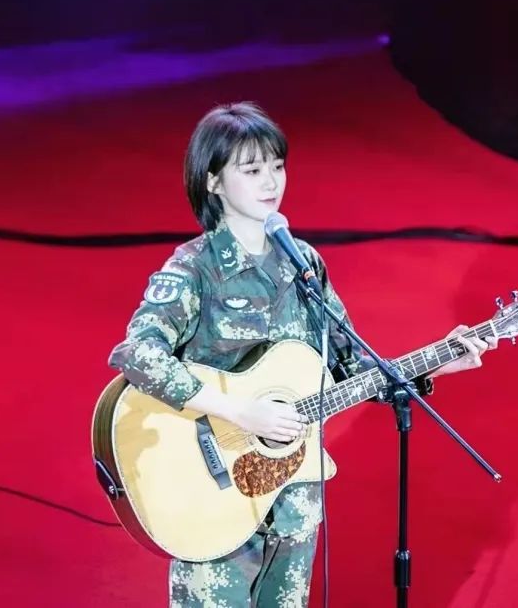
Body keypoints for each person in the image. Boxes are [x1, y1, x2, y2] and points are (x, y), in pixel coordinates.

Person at [108, 102, 495, 607]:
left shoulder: (304, 262)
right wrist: (238, 410)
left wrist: (437, 361)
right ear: (213, 181)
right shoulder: (194, 269)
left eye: (277, 166)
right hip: (216, 503)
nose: (271, 181)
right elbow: (137, 354)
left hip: (294, 502)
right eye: (252, 170)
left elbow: (351, 366)